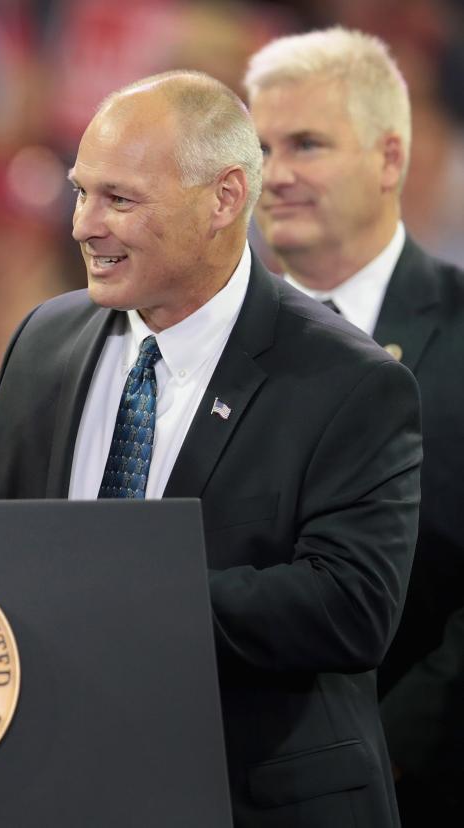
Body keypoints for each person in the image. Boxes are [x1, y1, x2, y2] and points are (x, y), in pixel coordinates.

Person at [0, 70, 421, 827]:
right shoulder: (45, 338)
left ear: (225, 198)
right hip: (54, 782)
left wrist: (114, 600)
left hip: (252, 797)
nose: (83, 225)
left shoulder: (348, 381)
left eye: (120, 200)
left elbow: (351, 606)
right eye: (80, 191)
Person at [244, 28, 464, 823]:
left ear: (390, 158)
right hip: (241, 780)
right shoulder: (211, 343)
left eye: (307, 144)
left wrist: (385, 748)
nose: (277, 175)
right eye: (261, 147)